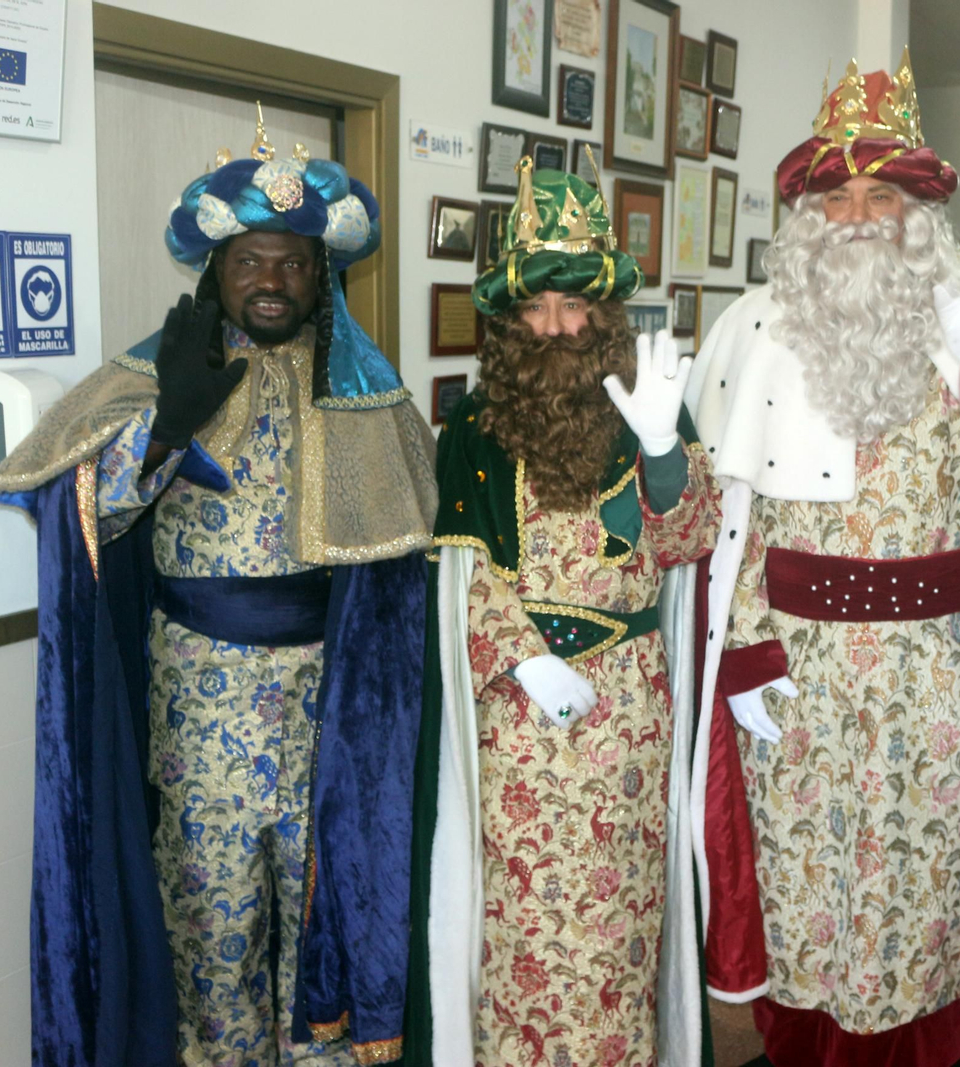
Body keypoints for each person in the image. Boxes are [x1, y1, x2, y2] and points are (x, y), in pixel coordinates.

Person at [0, 116, 437, 1066]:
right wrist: (158, 435)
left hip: (327, 719)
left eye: (293, 264)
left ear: (322, 274)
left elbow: (417, 554)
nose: (271, 281)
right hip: (198, 721)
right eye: (250, 262)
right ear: (218, 266)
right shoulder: (158, 373)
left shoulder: (371, 392)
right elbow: (68, 513)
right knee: (214, 958)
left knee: (323, 953)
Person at [686, 51, 960, 1067]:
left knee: (922, 871)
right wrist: (748, 651)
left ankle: (917, 1047)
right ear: (809, 212)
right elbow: (736, 516)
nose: (858, 214)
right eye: (840, 192)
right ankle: (801, 1042)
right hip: (795, 663)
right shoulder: (752, 327)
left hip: (933, 663)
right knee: (803, 870)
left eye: (882, 194)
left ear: (918, 212)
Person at [408, 159, 721, 1067]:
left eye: (573, 305)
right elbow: (457, 577)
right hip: (520, 719)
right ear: (509, 319)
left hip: (627, 711)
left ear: (603, 312)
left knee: (622, 920)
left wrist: (664, 449)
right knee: (526, 928)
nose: (555, 327)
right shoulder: (472, 426)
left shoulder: (652, 410)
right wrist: (522, 656)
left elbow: (691, 541)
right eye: (535, 309)